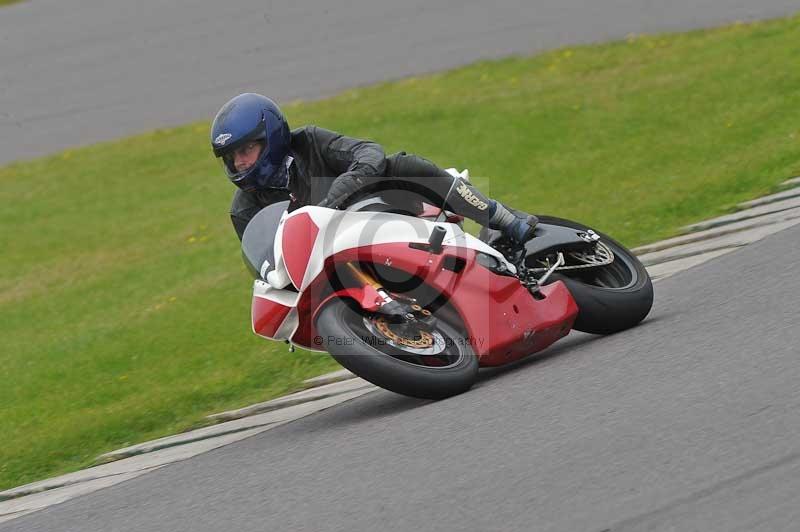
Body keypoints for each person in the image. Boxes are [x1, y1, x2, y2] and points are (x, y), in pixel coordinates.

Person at [211, 93, 537, 242]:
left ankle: (505, 220)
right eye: (232, 156)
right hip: (333, 253)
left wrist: (331, 201)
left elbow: (368, 152)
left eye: (246, 150)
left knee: (403, 164)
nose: (240, 162)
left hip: (383, 209)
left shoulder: (309, 142)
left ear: (271, 138)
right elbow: (267, 262)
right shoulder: (244, 210)